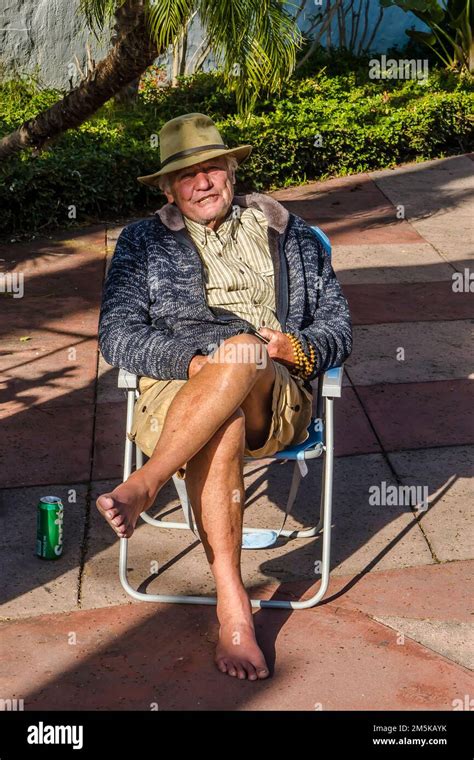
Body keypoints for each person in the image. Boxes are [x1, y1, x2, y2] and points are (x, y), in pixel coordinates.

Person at [97, 113, 352, 681]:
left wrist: (294, 348)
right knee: (223, 421)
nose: (203, 183)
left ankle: (146, 483)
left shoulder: (293, 234)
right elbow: (116, 334)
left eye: (213, 168)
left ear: (233, 170)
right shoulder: (142, 243)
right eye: (187, 176)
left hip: (273, 388)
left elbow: (339, 329)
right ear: (168, 189)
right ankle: (233, 602)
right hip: (178, 386)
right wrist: (188, 363)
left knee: (241, 351)